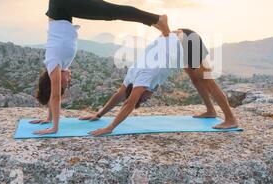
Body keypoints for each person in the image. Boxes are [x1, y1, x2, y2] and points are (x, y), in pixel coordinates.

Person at [31, 0, 170, 135]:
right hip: (63, 8)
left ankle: (158, 19)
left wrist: (54, 127)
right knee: (110, 12)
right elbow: (53, 94)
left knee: (110, 12)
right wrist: (49, 118)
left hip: (62, 1)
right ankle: (154, 20)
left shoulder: (53, 62)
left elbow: (55, 95)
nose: (68, 81)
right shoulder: (60, 64)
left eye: (65, 83)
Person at [81, 29, 239, 136]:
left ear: (140, 91)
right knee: (194, 77)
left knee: (207, 80)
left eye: (142, 99)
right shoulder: (132, 76)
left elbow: (128, 103)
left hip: (186, 40)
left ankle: (231, 119)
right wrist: (98, 114)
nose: (147, 100)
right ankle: (211, 110)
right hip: (176, 40)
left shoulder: (144, 76)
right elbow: (118, 95)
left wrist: (110, 128)